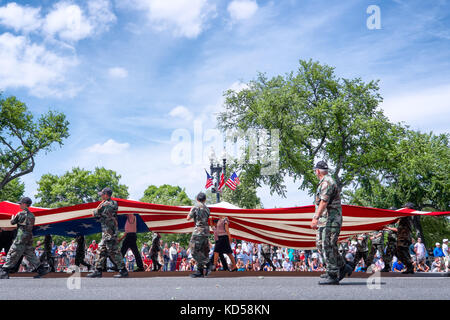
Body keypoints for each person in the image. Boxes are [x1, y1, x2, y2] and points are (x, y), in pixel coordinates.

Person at [310, 161, 351, 285]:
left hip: (332, 220)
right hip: (325, 219)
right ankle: (342, 267)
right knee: (321, 245)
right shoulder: (324, 182)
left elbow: (323, 202)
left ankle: (333, 274)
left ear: (317, 171)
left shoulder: (327, 182)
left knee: (328, 245)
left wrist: (315, 218)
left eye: (315, 171)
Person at [0, 197, 49, 279]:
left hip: (21, 237)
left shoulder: (20, 214)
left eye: (21, 203)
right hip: (29, 237)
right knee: (30, 254)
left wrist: (12, 217)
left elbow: (12, 222)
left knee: (12, 252)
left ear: (25, 204)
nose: (20, 205)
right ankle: (41, 269)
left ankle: (5, 270)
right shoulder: (32, 215)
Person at [87, 187, 128, 278]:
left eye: (102, 194)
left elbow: (94, 213)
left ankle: (123, 270)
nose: (101, 196)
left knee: (114, 251)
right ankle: (98, 270)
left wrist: (99, 206)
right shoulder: (114, 203)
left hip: (108, 232)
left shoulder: (105, 204)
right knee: (101, 250)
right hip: (109, 232)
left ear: (106, 194)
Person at [186, 192, 211, 278]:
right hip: (206, 231)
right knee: (202, 250)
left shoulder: (195, 207)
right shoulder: (207, 209)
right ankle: (200, 271)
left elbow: (188, 218)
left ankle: (208, 263)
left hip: (198, 231)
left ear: (197, 199)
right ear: (205, 199)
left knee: (193, 250)